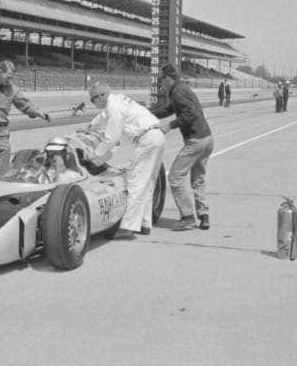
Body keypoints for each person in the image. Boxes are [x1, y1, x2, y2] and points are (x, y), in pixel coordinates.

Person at [85, 81, 165, 239]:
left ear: (101, 96)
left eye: (93, 99)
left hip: (148, 139)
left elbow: (112, 138)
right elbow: (104, 116)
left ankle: (128, 227)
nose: (93, 103)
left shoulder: (114, 106)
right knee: (147, 183)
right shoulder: (116, 100)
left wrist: (95, 155)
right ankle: (144, 223)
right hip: (156, 135)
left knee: (134, 182)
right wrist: (90, 126)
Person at [150, 64, 214, 231]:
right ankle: (204, 216)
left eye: (161, 79)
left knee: (175, 177)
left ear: (168, 78)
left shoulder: (177, 92)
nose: (160, 83)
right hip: (207, 138)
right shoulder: (180, 89)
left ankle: (187, 217)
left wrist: (169, 126)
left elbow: (190, 114)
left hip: (196, 140)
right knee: (198, 179)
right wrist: (148, 112)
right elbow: (168, 110)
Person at [0, 59, 49, 179]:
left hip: (2, 136)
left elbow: (25, 105)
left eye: (12, 78)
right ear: (0, 71)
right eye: (8, 77)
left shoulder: (13, 90)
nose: (9, 81)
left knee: (1, 176)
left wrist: (38, 112)